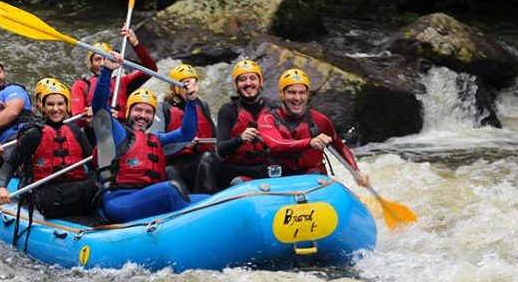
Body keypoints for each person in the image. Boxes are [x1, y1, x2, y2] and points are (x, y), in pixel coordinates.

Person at [92, 52, 208, 223]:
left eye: (148, 112)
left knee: (209, 199)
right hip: (119, 201)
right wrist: (107, 71)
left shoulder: (155, 139)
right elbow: (99, 107)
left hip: (148, 197)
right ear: (129, 112)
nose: (143, 116)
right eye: (138, 110)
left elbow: (187, 134)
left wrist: (191, 102)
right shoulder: (117, 133)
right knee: (171, 190)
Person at [0, 79, 97, 217]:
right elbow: (11, 163)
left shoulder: (75, 130)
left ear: (67, 106)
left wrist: (92, 128)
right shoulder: (34, 134)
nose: (55, 109)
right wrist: (2, 188)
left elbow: (93, 161)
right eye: (50, 104)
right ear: (43, 107)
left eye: (60, 104)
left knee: (98, 185)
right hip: (47, 196)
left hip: (74, 187)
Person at [257, 68, 370, 186]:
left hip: (314, 181)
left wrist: (356, 171)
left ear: (307, 94)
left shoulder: (320, 120)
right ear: (282, 94)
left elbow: (340, 147)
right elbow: (276, 144)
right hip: (281, 182)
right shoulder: (267, 120)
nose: (297, 98)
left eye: (302, 92)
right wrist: (310, 142)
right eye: (292, 92)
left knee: (315, 174)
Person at [70, 25, 157, 144]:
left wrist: (135, 43)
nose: (102, 63)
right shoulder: (81, 86)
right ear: (90, 64)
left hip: (123, 134)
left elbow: (151, 69)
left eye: (105, 58)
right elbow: (77, 121)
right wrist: (91, 115)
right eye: (97, 59)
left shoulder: (122, 83)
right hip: (96, 136)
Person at [150, 64, 222, 194]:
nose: (190, 88)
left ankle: (206, 200)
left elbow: (217, 138)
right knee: (168, 171)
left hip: (201, 161)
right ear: (174, 88)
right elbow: (155, 141)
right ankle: (185, 206)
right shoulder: (162, 108)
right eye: (185, 84)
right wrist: (183, 143)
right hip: (174, 164)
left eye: (194, 84)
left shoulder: (202, 106)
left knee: (208, 157)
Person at [215, 59, 275, 187]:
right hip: (235, 171)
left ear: (260, 82)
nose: (248, 83)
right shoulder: (227, 110)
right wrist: (240, 139)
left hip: (266, 170)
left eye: (253, 78)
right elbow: (221, 149)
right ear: (236, 85)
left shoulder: (273, 108)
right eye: (242, 79)